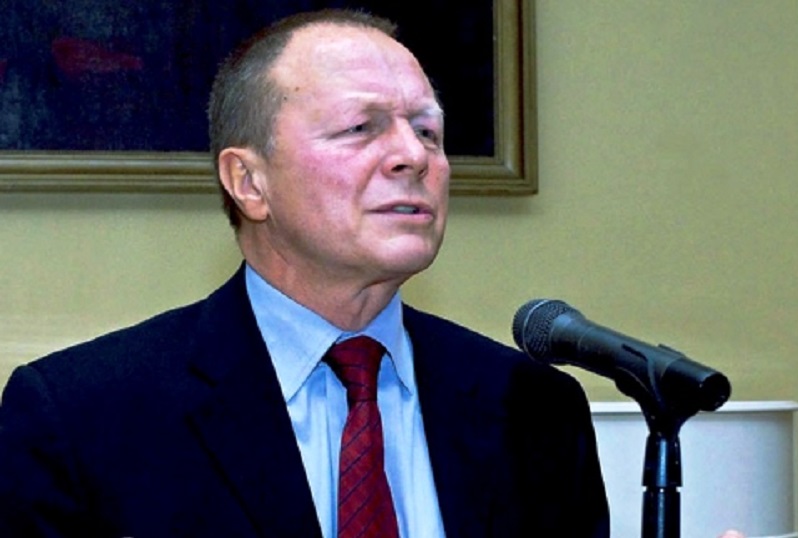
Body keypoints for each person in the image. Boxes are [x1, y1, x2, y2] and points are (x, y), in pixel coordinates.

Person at [0, 9, 745, 538]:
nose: (413, 157)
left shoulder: (531, 408)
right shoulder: (81, 417)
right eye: (361, 128)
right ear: (249, 182)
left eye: (428, 131)